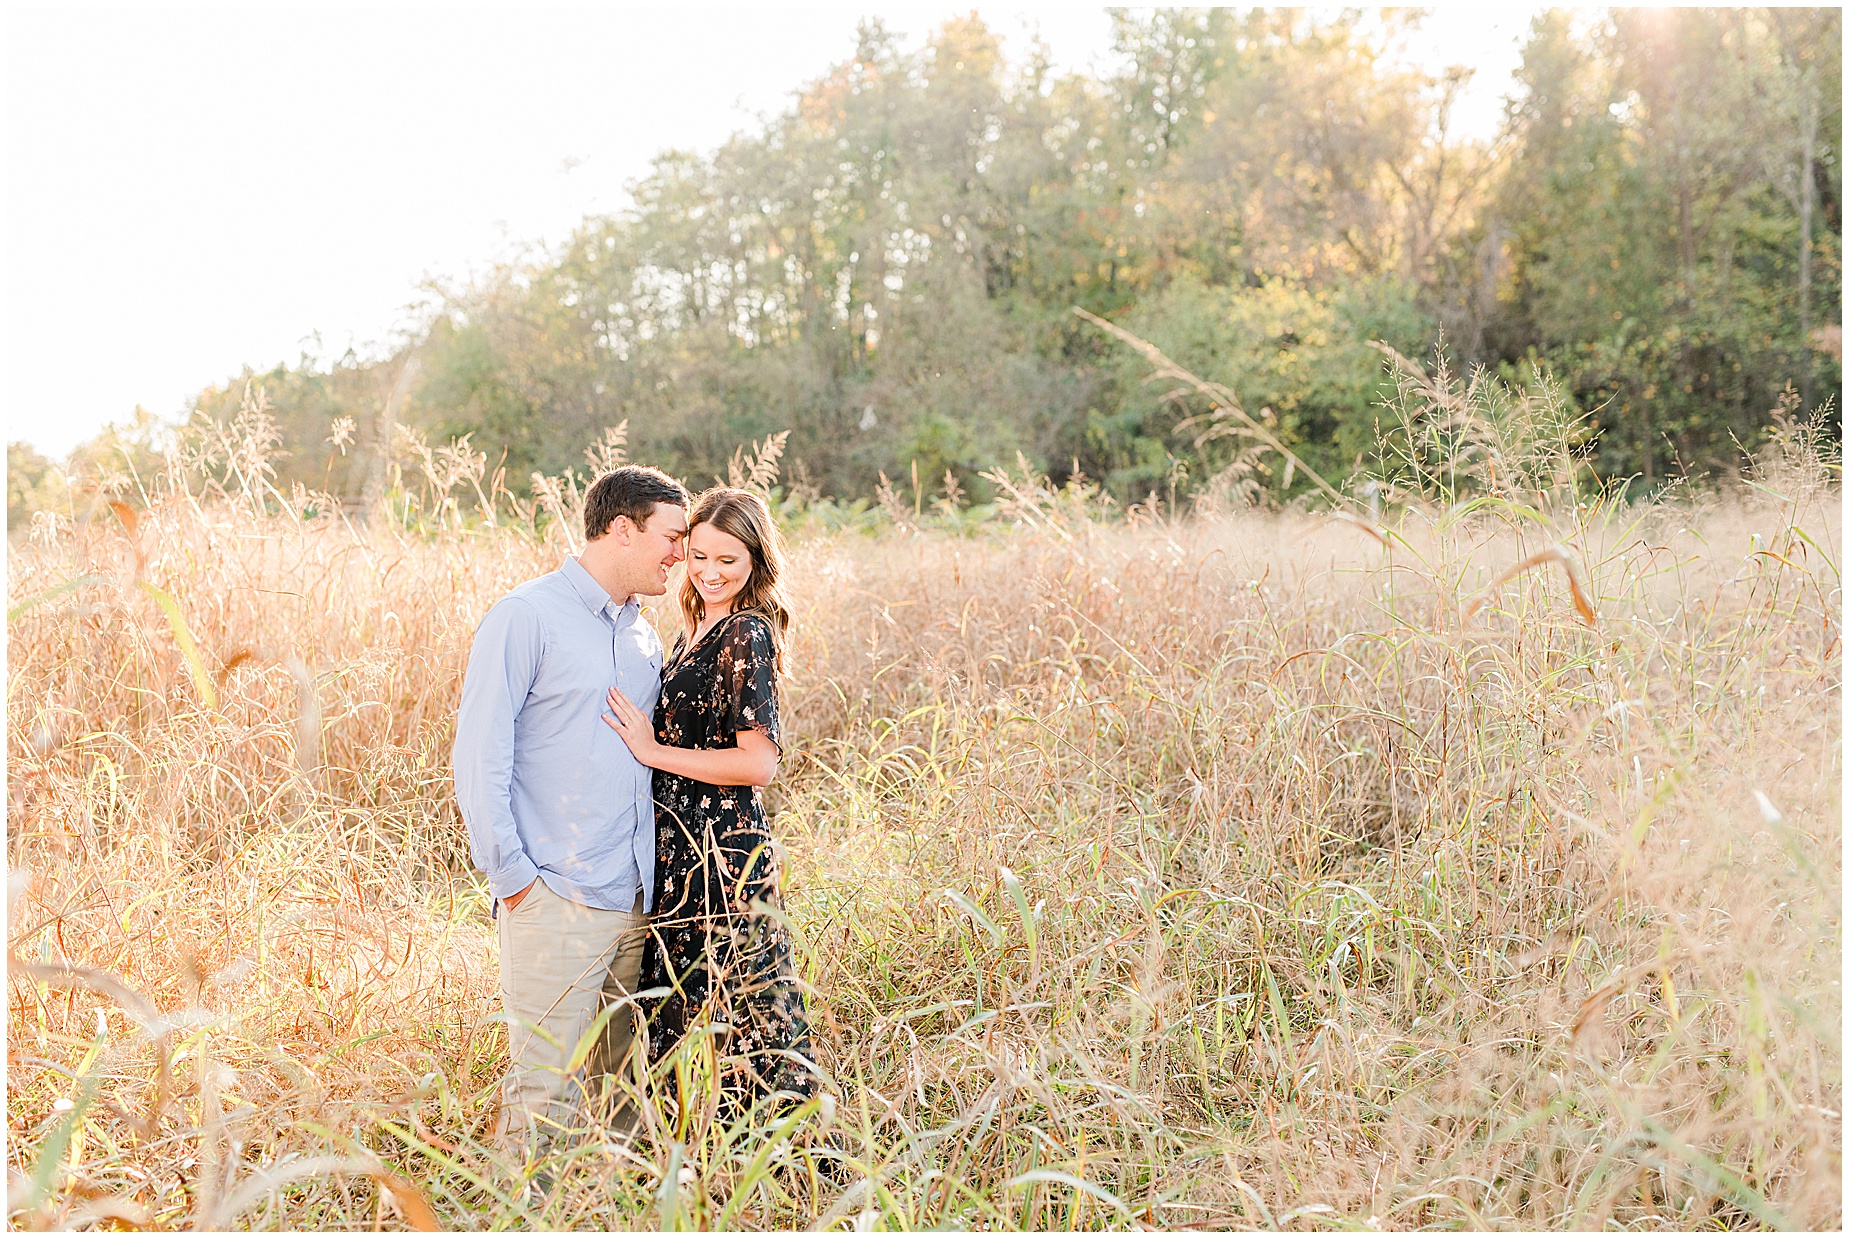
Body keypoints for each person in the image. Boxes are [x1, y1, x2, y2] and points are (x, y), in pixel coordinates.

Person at [453, 465, 690, 1153]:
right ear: (621, 528)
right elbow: (479, 756)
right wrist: (517, 882)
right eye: (671, 537)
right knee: (543, 1088)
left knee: (621, 1084)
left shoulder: (643, 634)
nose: (679, 554)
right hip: (553, 895)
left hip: (632, 898)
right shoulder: (526, 615)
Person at [601, 486, 820, 1106]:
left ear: (755, 559)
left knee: (745, 1004)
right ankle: (691, 1156)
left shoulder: (745, 632)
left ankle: (779, 1158)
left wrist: (651, 751)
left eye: (728, 559)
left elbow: (758, 762)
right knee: (686, 1003)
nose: (710, 572)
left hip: (721, 850)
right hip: (681, 847)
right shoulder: (697, 629)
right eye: (698, 556)